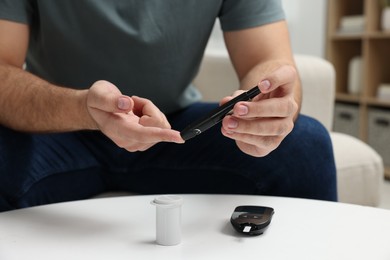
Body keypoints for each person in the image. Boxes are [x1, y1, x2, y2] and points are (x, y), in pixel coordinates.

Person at [0, 0, 337, 212]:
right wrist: (80, 108)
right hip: (63, 125)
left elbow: (268, 59)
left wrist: (270, 104)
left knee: (305, 147)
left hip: (175, 131)